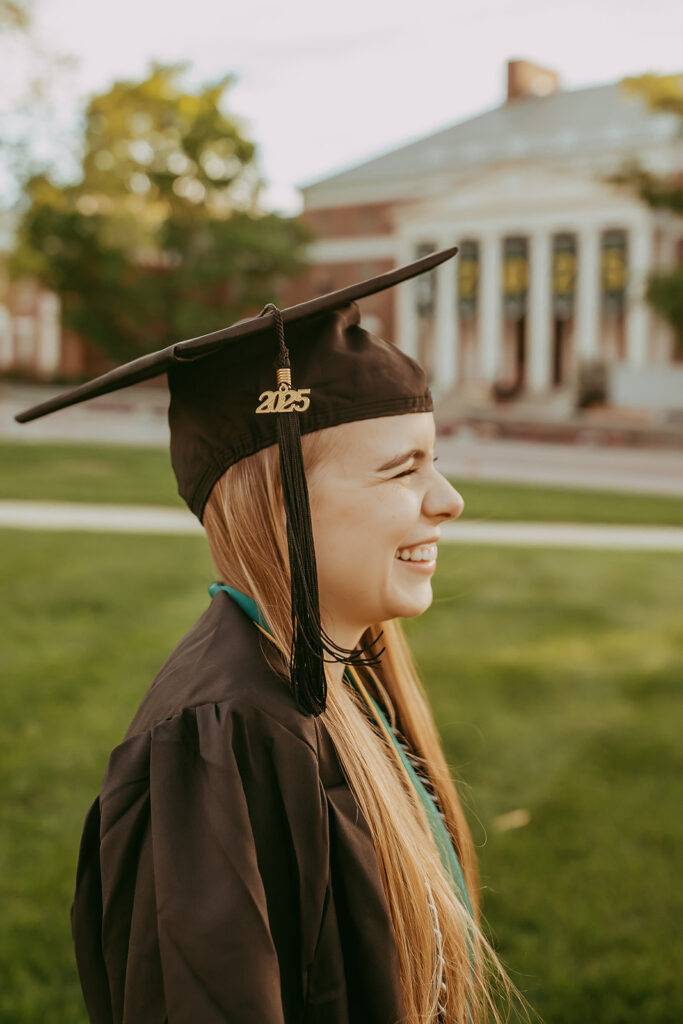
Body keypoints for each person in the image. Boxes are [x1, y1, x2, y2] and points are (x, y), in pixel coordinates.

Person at [16, 248, 516, 1024]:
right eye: (401, 470)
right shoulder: (224, 739)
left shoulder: (342, 675)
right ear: (281, 504)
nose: (447, 499)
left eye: (435, 462)